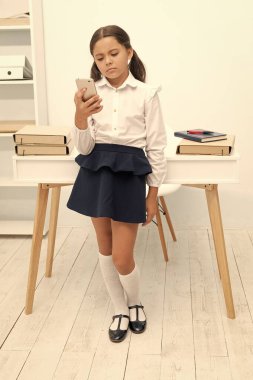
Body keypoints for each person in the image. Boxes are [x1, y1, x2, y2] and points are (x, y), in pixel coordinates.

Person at [67, 25, 167, 343]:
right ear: (94, 63)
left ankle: (135, 301)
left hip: (129, 175)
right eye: (100, 58)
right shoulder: (91, 94)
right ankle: (119, 308)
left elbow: (156, 147)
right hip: (96, 172)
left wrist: (153, 195)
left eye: (113, 53)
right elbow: (83, 147)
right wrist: (80, 116)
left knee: (124, 257)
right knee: (106, 250)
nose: (107, 62)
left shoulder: (146, 94)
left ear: (129, 52)